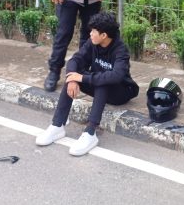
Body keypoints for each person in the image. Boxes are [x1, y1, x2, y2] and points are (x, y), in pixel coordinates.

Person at [35, 12, 139, 156]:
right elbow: (75, 60)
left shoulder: (120, 49)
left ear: (104, 35)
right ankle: (57, 125)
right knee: (73, 77)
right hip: (100, 86)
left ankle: (90, 133)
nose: (90, 34)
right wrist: (73, 79)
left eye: (93, 31)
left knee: (102, 81)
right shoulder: (92, 42)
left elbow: (116, 76)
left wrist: (83, 78)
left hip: (120, 92)